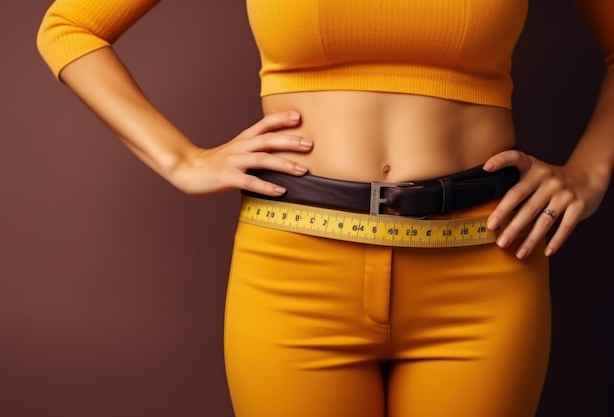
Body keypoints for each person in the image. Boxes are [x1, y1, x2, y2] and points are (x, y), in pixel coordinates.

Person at [36, 1, 613, 416]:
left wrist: (588, 172)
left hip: (485, 265)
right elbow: (71, 28)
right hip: (294, 272)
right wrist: (181, 160)